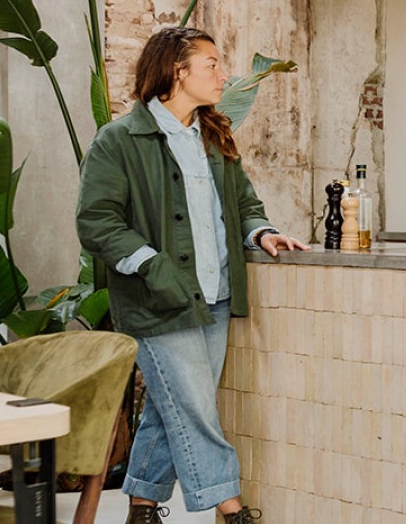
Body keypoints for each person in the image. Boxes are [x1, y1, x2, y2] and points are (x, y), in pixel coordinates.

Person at [77, 26, 311, 524]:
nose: (223, 74)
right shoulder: (119, 141)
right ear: (176, 71)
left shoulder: (212, 136)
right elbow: (97, 222)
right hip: (158, 299)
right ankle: (231, 509)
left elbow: (244, 204)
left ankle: (141, 507)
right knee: (195, 409)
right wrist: (153, 265)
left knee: (173, 405)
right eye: (212, 64)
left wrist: (262, 233)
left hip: (216, 296)